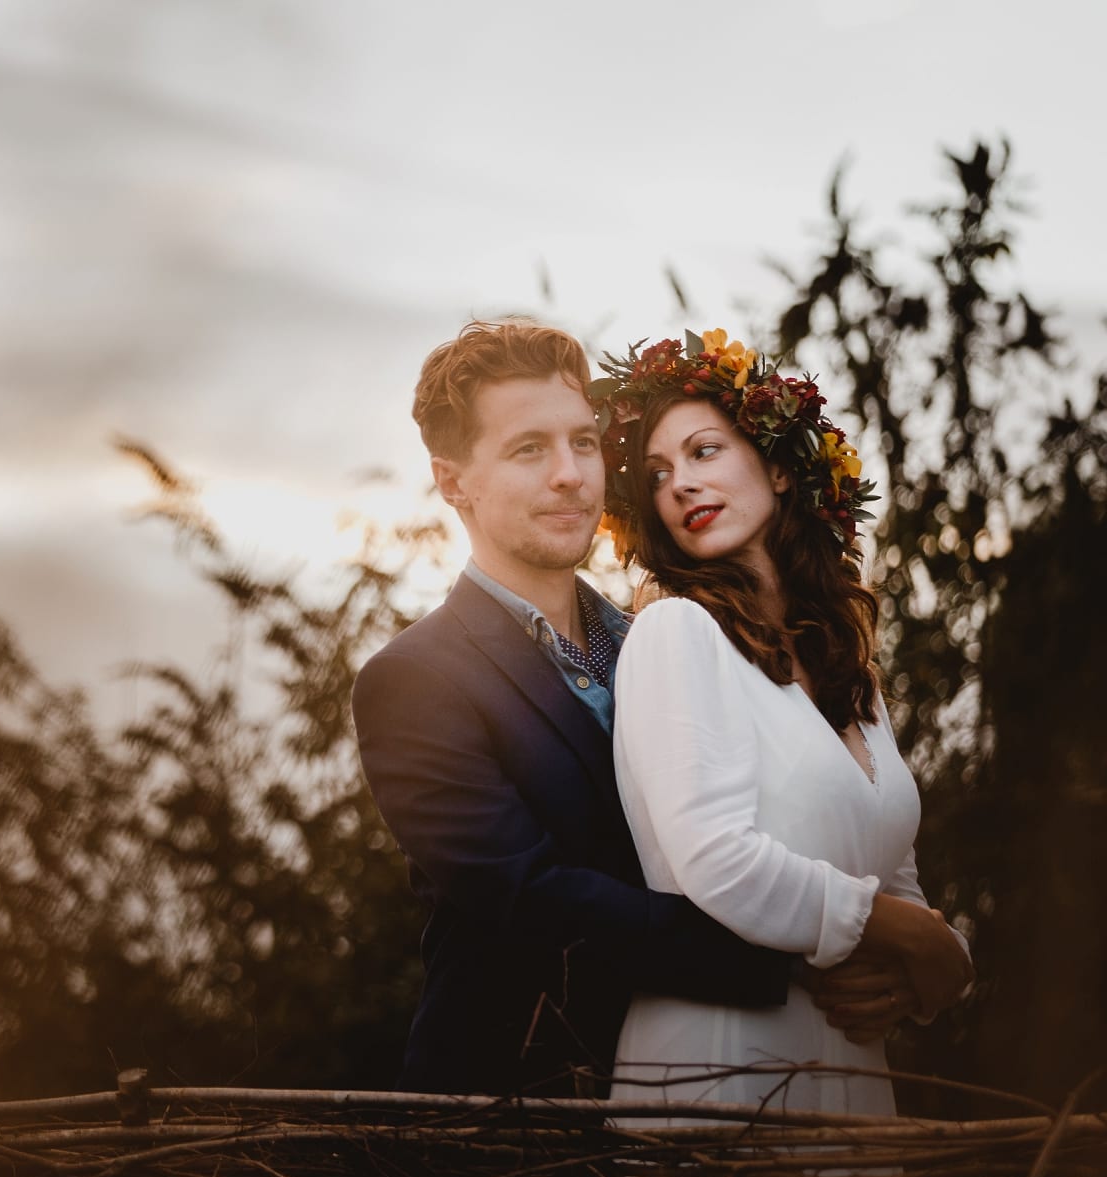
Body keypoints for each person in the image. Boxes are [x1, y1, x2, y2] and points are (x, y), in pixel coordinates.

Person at [350, 319, 906, 1098]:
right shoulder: (413, 681)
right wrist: (813, 953)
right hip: (509, 1121)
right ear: (452, 482)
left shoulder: (669, 636)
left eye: (583, 442)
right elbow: (534, 899)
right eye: (528, 449)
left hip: (720, 1079)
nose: (573, 475)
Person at [593, 329, 974, 1118]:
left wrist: (922, 974)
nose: (679, 486)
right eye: (657, 474)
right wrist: (906, 936)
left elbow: (895, 872)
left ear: (776, 465)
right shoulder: (677, 633)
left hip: (852, 1075)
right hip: (723, 1071)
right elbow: (716, 860)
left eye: (704, 451)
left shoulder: (849, 673)